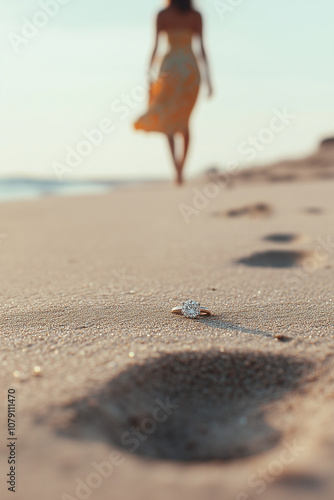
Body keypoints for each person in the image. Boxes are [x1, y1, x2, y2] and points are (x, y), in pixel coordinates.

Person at [134, 0, 213, 185]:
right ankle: (180, 169)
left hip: (169, 68)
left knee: (168, 119)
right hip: (189, 70)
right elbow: (202, 49)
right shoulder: (196, 15)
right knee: (184, 121)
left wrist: (149, 76)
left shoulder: (163, 14)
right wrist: (209, 79)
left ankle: (177, 169)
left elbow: (155, 46)